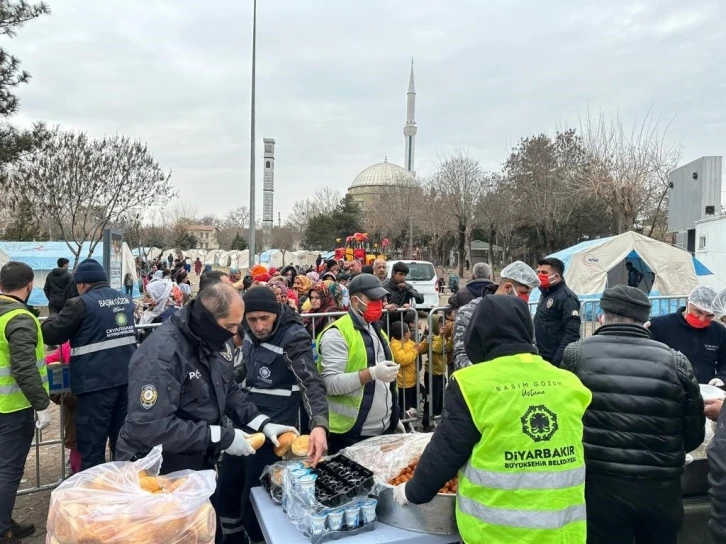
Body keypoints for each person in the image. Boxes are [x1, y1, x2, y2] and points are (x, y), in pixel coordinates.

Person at [392, 295, 592, 544]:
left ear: (476, 335)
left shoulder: (472, 384)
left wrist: (413, 491)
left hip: (497, 533)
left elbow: (446, 451)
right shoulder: (568, 382)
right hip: (564, 532)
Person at [116, 283, 297, 543]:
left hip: (197, 463)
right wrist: (220, 437)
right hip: (160, 471)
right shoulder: (161, 356)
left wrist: (262, 423)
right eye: (230, 327)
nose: (236, 334)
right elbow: (151, 427)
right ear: (209, 320)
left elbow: (229, 388)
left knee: (208, 532)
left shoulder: (212, 341)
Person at [561, 286, 705, 544]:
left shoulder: (576, 355)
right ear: (645, 321)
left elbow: (565, 420)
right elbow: (694, 435)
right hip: (661, 489)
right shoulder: (676, 361)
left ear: (602, 316)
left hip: (599, 485)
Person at [218, 286, 329, 543]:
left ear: (276, 314)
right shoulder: (247, 335)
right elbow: (247, 368)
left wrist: (319, 425)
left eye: (264, 319)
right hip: (245, 427)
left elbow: (311, 382)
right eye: (252, 319)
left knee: (256, 502)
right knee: (228, 493)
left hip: (276, 436)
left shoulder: (293, 338)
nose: (258, 326)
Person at [41, 259, 137, 470]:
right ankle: (123, 492)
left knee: (92, 447)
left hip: (94, 386)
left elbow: (51, 333)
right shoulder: (126, 300)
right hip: (125, 382)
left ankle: (96, 495)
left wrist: (52, 315)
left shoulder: (80, 304)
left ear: (83, 284)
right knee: (123, 444)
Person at [317, 274, 401, 453]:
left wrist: (394, 416)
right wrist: (371, 373)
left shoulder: (375, 329)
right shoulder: (337, 334)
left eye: (380, 299)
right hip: (350, 435)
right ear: (355, 301)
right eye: (373, 299)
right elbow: (330, 384)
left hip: (382, 430)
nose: (379, 303)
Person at [0, 262, 50, 544]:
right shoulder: (19, 317)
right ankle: (2, 531)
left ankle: (5, 520)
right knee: (8, 470)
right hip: (12, 408)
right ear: (30, 284)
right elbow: (23, 367)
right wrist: (41, 404)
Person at [452, 261, 539, 370]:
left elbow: (532, 347)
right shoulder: (469, 311)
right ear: (508, 288)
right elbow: (461, 355)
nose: (527, 298)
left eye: (529, 294)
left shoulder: (523, 313)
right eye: (523, 293)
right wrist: (493, 374)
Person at [650, 285, 726, 385]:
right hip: (668, 389)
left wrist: (722, 377)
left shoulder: (719, 331)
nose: (702, 319)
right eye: (698, 312)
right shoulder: (660, 325)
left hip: (705, 390)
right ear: (687, 303)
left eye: (709, 315)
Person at [533, 257, 581, 366]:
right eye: (538, 272)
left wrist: (557, 362)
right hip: (542, 356)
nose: (540, 275)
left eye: (544, 272)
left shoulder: (567, 298)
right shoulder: (546, 294)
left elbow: (571, 334)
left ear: (556, 276)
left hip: (555, 359)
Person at [390, 321, 422, 418]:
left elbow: (416, 347)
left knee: (412, 401)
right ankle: (403, 422)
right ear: (405, 334)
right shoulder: (395, 345)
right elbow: (403, 359)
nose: (410, 332)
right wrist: (414, 351)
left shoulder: (408, 342)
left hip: (411, 379)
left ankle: (408, 417)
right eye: (408, 331)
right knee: (403, 405)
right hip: (403, 383)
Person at [382, 261, 424, 326]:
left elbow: (421, 299)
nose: (403, 277)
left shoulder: (407, 287)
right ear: (393, 273)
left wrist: (407, 290)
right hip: (387, 323)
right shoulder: (384, 287)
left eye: (404, 275)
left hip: (403, 323)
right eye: (400, 274)